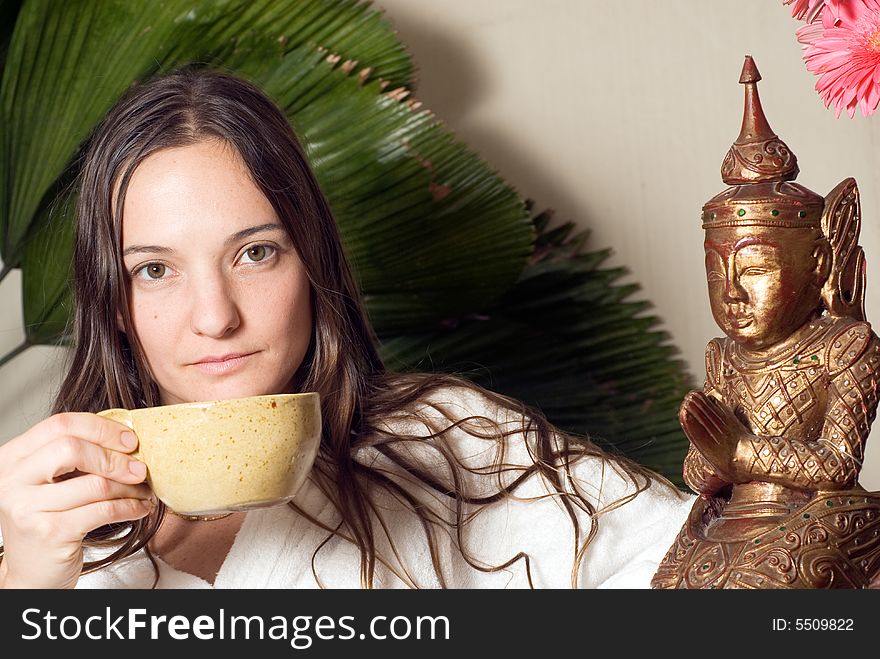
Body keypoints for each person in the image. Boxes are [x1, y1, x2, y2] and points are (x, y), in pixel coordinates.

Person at [0, 68, 692, 589]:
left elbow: (722, 572)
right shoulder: (43, 524)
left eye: (256, 253)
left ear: (312, 262)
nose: (215, 316)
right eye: (155, 269)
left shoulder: (446, 442)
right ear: (114, 300)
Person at [652, 57, 880, 589]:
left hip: (819, 518)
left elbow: (838, 464)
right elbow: (696, 472)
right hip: (727, 522)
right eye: (717, 270)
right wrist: (710, 458)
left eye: (755, 268)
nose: (731, 290)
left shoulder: (846, 346)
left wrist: (738, 452)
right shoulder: (722, 355)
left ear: (818, 265)